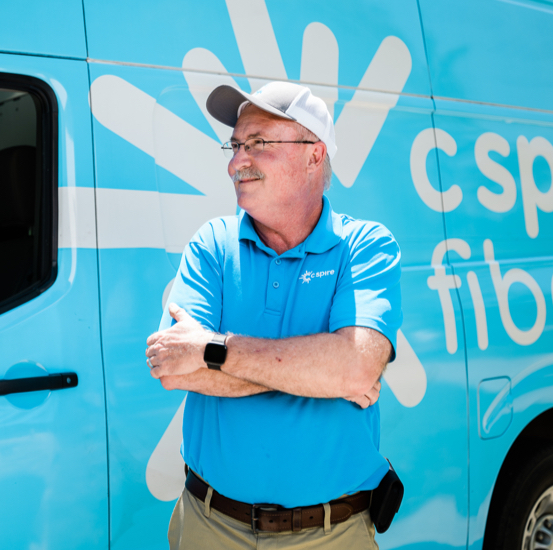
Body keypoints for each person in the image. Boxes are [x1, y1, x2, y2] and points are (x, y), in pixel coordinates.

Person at [145, 81, 402, 549]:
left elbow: (357, 366)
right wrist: (327, 371)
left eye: (258, 143)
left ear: (314, 154)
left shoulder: (365, 246)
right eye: (236, 145)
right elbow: (174, 368)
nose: (235, 161)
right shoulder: (212, 244)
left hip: (330, 534)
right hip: (209, 526)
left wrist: (211, 349)